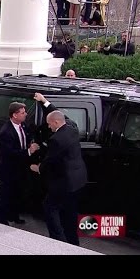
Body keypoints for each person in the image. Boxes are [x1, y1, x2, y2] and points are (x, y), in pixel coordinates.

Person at [30, 93, 87, 246]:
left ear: (55, 123)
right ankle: (74, 243)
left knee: (49, 208)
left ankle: (58, 242)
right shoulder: (72, 127)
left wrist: (38, 168)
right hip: (79, 181)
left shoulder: (56, 139)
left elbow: (50, 161)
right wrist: (44, 102)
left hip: (64, 183)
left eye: (49, 124)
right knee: (70, 213)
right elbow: (58, 114)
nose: (48, 127)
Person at [0, 102, 40, 225]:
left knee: (17, 194)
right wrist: (29, 151)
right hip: (9, 169)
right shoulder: (6, 132)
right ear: (15, 115)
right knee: (6, 195)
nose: (26, 114)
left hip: (21, 168)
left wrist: (31, 143)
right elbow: (10, 153)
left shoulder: (22, 125)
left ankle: (14, 216)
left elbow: (27, 136)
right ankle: (1, 220)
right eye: (22, 112)